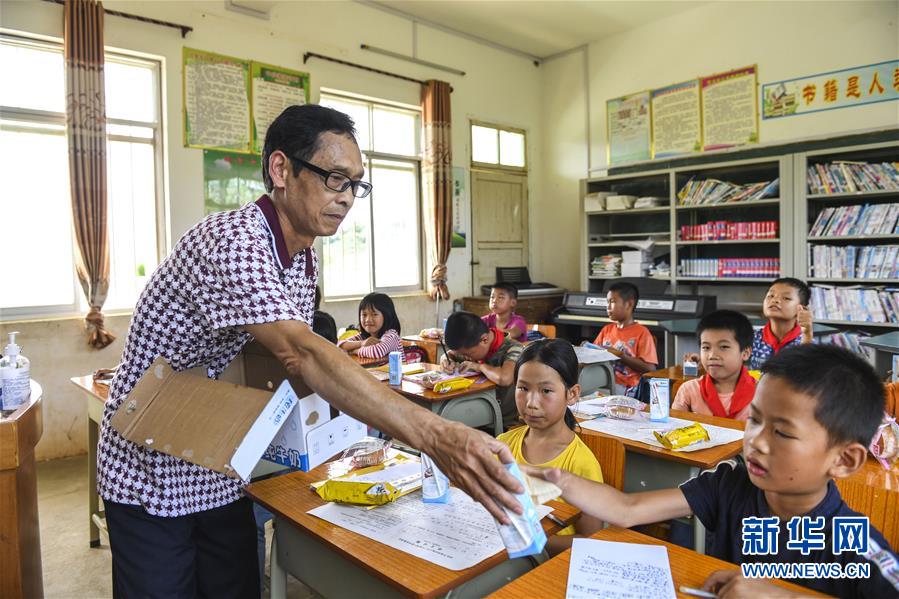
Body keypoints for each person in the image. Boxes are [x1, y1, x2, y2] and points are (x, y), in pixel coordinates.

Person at [96, 104, 523, 598]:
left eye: (355, 184)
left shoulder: (301, 259)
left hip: (218, 454)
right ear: (282, 170)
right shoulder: (233, 240)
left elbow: (292, 366)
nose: (346, 199)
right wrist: (437, 436)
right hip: (150, 458)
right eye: (334, 178)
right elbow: (305, 354)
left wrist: (358, 435)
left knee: (234, 587)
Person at [527, 344, 899, 598]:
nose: (756, 441)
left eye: (782, 432)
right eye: (754, 420)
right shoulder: (731, 484)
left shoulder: (857, 546)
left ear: (844, 460)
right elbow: (628, 509)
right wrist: (560, 480)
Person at [498, 339, 603, 554]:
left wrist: (533, 542)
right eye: (523, 388)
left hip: (547, 567)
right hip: (500, 558)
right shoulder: (503, 444)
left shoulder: (581, 462)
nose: (531, 403)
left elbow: (590, 540)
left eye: (546, 391)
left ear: (572, 394)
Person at [441, 311, 524, 431]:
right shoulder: (472, 347)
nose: (465, 357)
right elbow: (451, 354)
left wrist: (479, 366)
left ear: (484, 340)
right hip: (475, 419)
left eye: (467, 354)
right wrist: (445, 360)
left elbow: (505, 378)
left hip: (503, 424)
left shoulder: (513, 348)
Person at [674, 310, 756, 421]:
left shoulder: (762, 394)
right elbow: (675, 430)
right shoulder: (689, 390)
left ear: (745, 353)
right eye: (706, 348)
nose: (712, 355)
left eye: (724, 347)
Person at [592, 281, 658, 396]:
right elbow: (593, 354)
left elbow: (650, 368)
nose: (607, 307)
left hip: (628, 388)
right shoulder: (606, 330)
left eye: (612, 302)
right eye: (607, 302)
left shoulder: (642, 333)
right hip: (604, 383)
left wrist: (620, 355)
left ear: (629, 304)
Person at [750, 277, 813, 370]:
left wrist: (807, 336)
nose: (775, 300)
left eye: (786, 298)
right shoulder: (751, 338)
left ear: (802, 309)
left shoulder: (807, 341)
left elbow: (806, 374)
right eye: (771, 296)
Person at [337, 292, 402, 359]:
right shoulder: (363, 336)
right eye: (364, 315)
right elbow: (340, 345)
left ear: (387, 316)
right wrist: (361, 343)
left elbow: (377, 352)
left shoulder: (392, 335)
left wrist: (354, 351)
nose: (368, 319)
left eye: (374, 314)